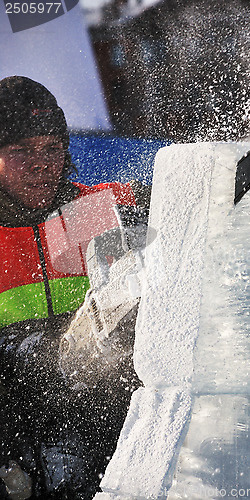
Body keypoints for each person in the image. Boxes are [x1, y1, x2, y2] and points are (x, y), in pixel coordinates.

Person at [0, 76, 145, 499]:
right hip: (17, 431)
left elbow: (175, 200)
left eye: (51, 148)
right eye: (21, 151)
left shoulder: (93, 210)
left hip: (102, 421)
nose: (43, 164)